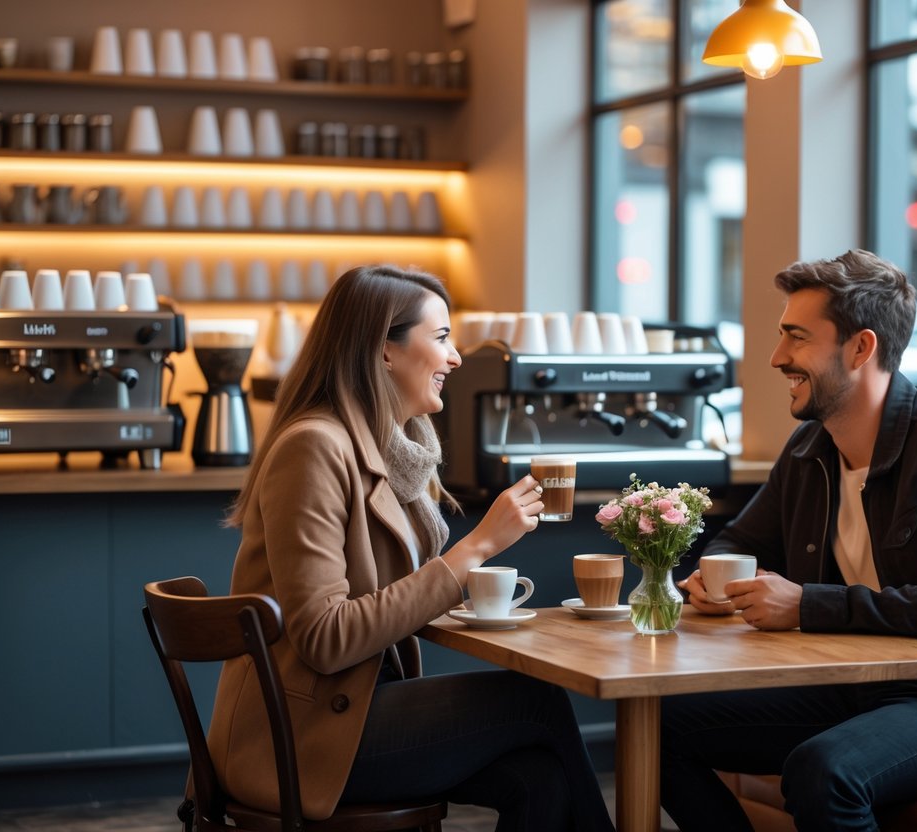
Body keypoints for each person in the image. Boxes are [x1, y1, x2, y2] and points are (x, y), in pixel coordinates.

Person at [660, 250, 917, 831]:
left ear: (861, 348)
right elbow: (737, 543)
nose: (778, 358)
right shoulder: (810, 453)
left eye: (797, 339)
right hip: (859, 688)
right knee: (656, 726)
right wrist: (717, 579)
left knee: (825, 771)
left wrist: (807, 605)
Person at [207, 265, 614, 832]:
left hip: (351, 713)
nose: (456, 359)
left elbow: (387, 597)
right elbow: (326, 639)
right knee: (533, 701)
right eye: (442, 338)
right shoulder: (315, 448)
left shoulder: (392, 452)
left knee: (539, 776)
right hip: (302, 735)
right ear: (384, 351)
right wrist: (477, 547)